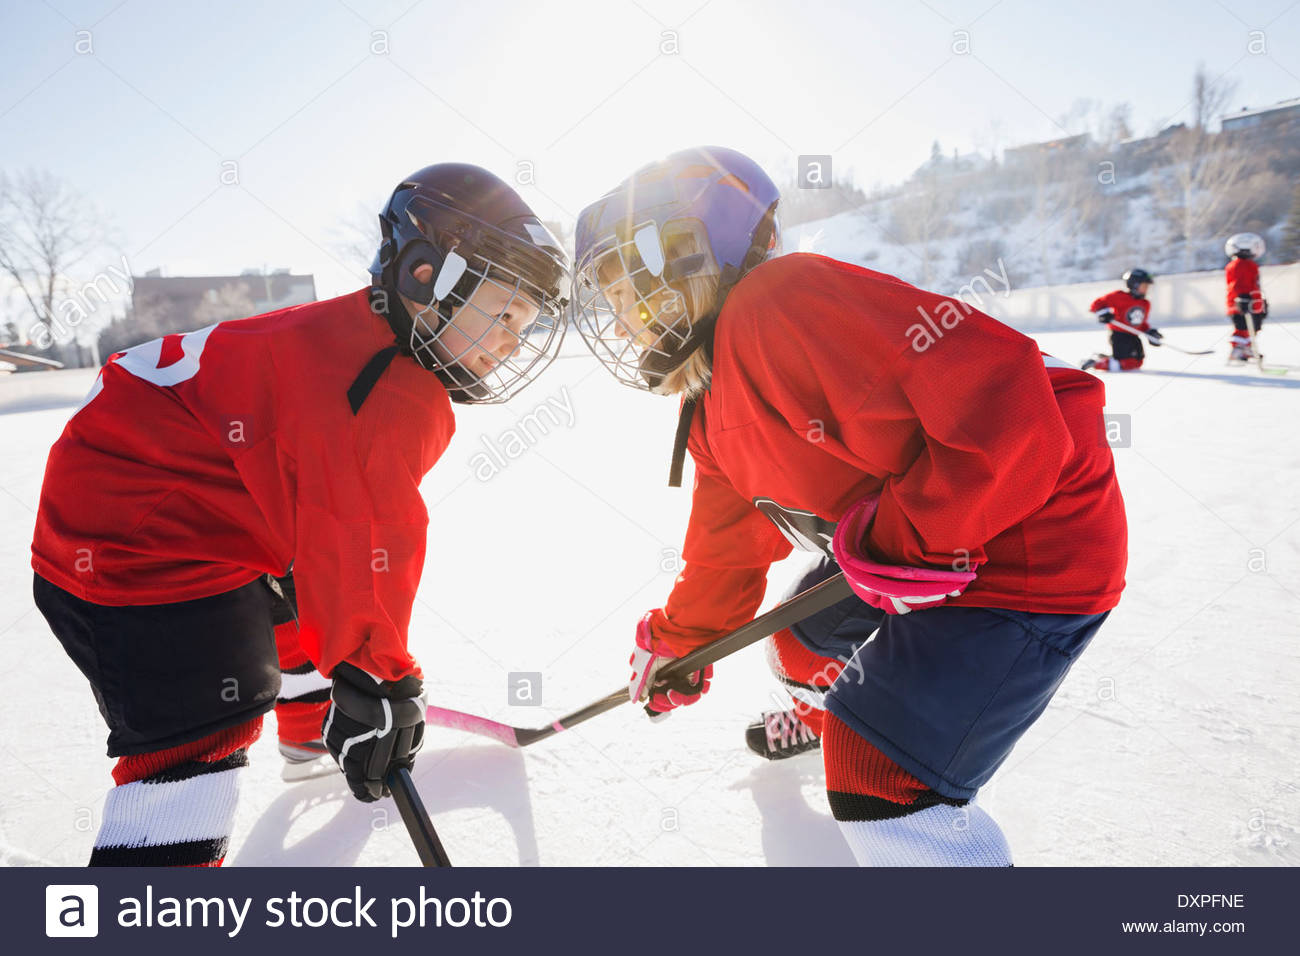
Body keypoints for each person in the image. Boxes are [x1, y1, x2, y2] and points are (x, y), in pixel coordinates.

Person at [571, 146, 1128, 867]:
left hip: (1030, 547)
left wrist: (915, 534)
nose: (621, 323)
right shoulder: (707, 409)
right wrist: (680, 641)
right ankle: (815, 714)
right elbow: (727, 549)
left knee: (880, 774)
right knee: (800, 642)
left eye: (629, 294)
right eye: (611, 305)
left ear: (687, 255)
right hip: (920, 556)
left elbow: (1006, 403)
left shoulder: (781, 304)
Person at [30, 163, 568, 866]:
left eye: (523, 327)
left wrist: (360, 666)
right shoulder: (381, 390)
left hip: (156, 500)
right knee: (198, 732)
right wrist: (380, 681)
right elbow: (362, 545)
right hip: (135, 545)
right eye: (502, 314)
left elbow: (321, 535)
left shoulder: (356, 334)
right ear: (424, 276)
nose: (510, 342)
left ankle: (311, 727)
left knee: (292, 586)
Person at [1081, 269, 1161, 372]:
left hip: (1133, 335)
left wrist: (1150, 333)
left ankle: (1104, 359)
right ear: (1134, 285)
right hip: (1119, 335)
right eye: (1144, 286)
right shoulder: (1119, 296)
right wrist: (1103, 314)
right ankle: (1095, 364)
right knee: (1126, 363)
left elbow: (1140, 323)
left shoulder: (1145, 303)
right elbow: (1095, 305)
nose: (1147, 289)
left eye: (1147, 286)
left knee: (1137, 361)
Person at [1223, 233, 1268, 363]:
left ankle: (1246, 349)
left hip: (1251, 302)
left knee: (1252, 326)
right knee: (1242, 327)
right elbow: (1239, 284)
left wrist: (1260, 302)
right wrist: (1243, 299)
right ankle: (1237, 349)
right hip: (1243, 302)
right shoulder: (1241, 264)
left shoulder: (1246, 264)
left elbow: (1254, 285)